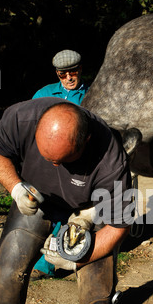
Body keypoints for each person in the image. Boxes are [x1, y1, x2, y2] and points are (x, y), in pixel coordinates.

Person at [0, 98, 132, 304]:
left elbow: (118, 224)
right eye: (46, 158)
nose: (54, 166)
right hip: (35, 198)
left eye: (64, 160)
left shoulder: (109, 157)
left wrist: (79, 256)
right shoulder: (21, 118)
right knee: (5, 271)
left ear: (84, 141)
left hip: (91, 210)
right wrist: (15, 187)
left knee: (97, 289)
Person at [32, 50, 89, 279]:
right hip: (46, 163)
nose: (68, 77)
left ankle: (48, 264)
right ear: (57, 73)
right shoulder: (44, 94)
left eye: (72, 71)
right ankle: (33, 257)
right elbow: (29, 125)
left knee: (69, 210)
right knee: (41, 209)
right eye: (62, 73)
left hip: (78, 164)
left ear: (81, 69)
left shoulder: (92, 95)